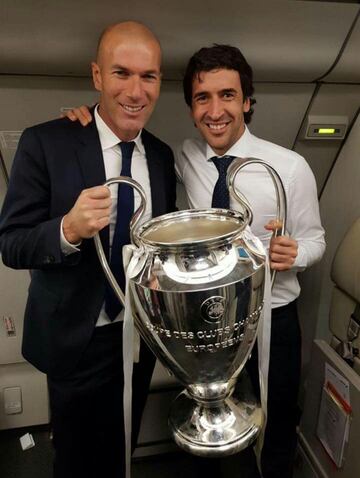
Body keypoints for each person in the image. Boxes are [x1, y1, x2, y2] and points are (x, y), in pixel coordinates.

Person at [62, 44, 325, 478]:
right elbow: (117, 136)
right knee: (208, 426)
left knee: (273, 419)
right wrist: (83, 119)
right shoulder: (183, 157)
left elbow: (316, 240)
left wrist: (295, 253)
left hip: (271, 320)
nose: (215, 110)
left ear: (247, 101)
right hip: (209, 324)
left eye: (227, 95)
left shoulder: (290, 167)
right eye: (203, 98)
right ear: (191, 108)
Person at [0, 21, 176, 478]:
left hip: (137, 334)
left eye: (149, 76)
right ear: (97, 76)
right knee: (76, 459)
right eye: (122, 73)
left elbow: (157, 240)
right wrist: (67, 229)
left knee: (122, 446)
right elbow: (12, 243)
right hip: (75, 337)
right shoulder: (47, 142)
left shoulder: (160, 156)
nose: (136, 91)